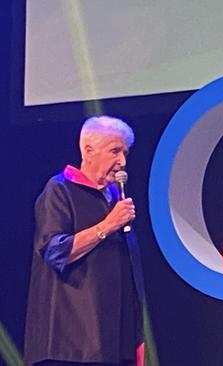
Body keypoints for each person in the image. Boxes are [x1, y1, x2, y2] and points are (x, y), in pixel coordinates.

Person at [24, 116, 145, 366]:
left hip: (113, 345)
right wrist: (107, 226)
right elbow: (56, 251)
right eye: (115, 151)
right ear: (88, 151)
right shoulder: (60, 190)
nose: (122, 162)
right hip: (71, 348)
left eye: (125, 153)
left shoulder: (113, 198)